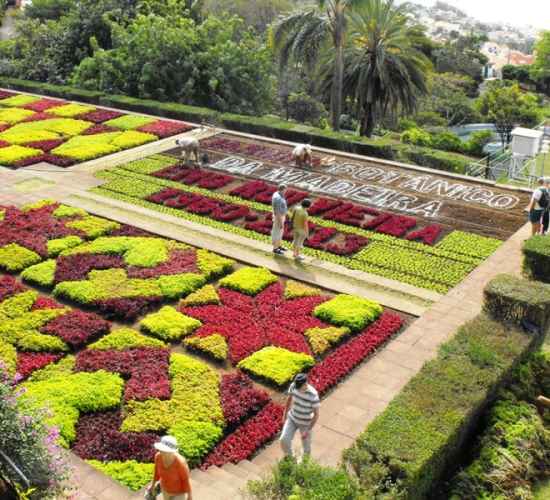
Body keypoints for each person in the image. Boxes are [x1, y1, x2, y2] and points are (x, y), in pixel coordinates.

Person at [280, 373, 320, 459]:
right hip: (292, 418)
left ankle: (304, 466)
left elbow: (316, 415)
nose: (297, 389)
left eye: (299, 387)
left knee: (306, 448)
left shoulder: (313, 395)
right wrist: (284, 415)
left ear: (305, 384)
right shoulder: (294, 386)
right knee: (283, 440)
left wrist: (308, 430)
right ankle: (291, 458)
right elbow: (289, 399)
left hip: (305, 423)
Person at [147, 435, 192, 500]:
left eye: (165, 450)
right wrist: (152, 485)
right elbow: (156, 473)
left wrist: (189, 496)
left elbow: (186, 480)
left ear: (172, 451)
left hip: (178, 493)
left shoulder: (180, 462)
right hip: (165, 489)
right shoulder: (158, 457)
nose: (161, 451)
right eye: (161, 449)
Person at [272, 184, 288, 255]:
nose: (286, 191)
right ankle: (275, 249)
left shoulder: (277, 194)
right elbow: (277, 211)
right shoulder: (278, 198)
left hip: (281, 216)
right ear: (282, 190)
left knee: (280, 232)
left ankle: (279, 246)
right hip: (279, 217)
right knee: (277, 232)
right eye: (285, 190)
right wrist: (281, 222)